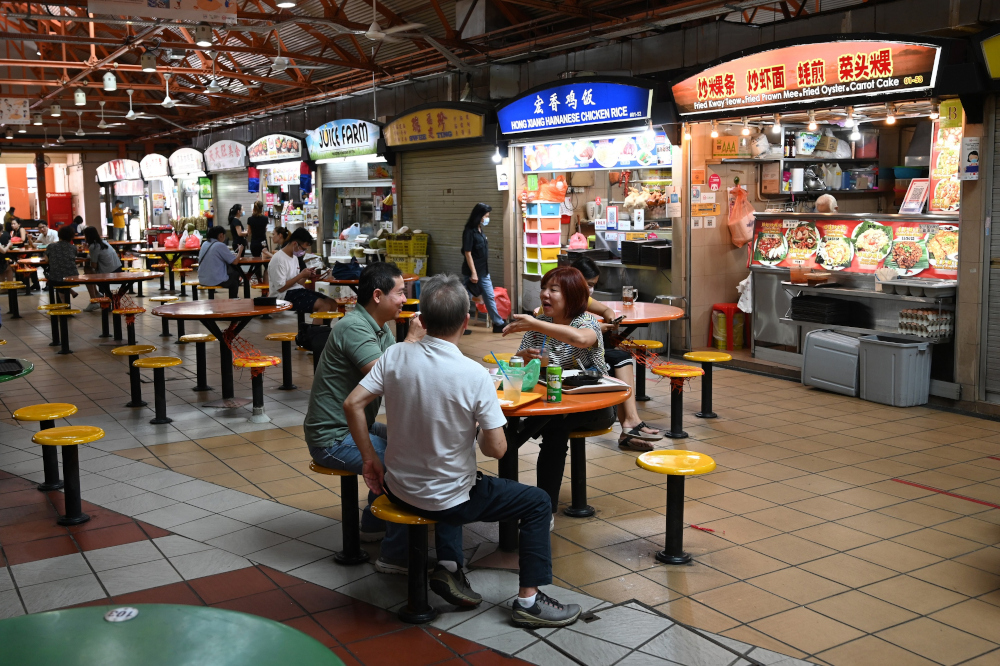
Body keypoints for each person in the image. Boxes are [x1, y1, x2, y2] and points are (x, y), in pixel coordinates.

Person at [344, 274, 582, 628]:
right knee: (535, 502)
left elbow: (353, 404)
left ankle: (451, 567)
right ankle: (529, 601)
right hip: (447, 496)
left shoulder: (395, 355)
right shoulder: (474, 375)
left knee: (455, 477)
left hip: (398, 488)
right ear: (466, 321)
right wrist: (477, 428)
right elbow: (497, 451)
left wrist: (370, 459)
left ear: (421, 319)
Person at [305, 262, 426, 573]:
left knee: (409, 443)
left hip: (355, 425)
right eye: (399, 293)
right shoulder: (353, 327)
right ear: (377, 295)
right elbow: (384, 377)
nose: (404, 300)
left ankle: (373, 526)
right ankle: (395, 555)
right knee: (401, 461)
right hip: (332, 436)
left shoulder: (379, 327)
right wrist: (411, 341)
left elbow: (401, 369)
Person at [503, 267, 616, 514]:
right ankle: (536, 506)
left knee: (554, 428)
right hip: (552, 405)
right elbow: (520, 371)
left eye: (553, 290)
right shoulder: (538, 324)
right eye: (544, 288)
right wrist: (522, 357)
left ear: (573, 296)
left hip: (595, 407)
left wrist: (537, 324)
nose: (545, 294)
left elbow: (580, 340)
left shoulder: (587, 322)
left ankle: (545, 510)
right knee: (546, 424)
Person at [571, 258, 663, 450]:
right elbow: (569, 332)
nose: (590, 289)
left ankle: (630, 425)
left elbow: (604, 309)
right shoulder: (562, 297)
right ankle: (630, 424)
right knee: (620, 358)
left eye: (593, 285)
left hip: (585, 350)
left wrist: (610, 318)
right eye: (588, 284)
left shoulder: (580, 297)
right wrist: (597, 327)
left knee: (620, 358)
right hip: (569, 354)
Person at [266, 227, 337, 314]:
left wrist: (307, 276)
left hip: (297, 290)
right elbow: (280, 288)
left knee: (332, 303)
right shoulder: (278, 259)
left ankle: (321, 327)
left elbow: (298, 283)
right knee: (323, 305)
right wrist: (301, 275)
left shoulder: (294, 257)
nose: (303, 252)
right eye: (303, 249)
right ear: (295, 244)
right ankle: (316, 327)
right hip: (283, 295)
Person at [461, 203, 505, 333]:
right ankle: (459, 326)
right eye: (486, 216)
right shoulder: (469, 231)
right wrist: (473, 273)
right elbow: (467, 253)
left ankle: (498, 323)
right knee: (465, 300)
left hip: (483, 271)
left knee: (489, 296)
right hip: (472, 273)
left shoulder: (480, 230)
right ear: (479, 216)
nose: (487, 218)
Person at [81, 226, 122, 311]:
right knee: (87, 271)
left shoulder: (94, 246)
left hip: (108, 272)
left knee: (87, 274)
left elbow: (94, 266)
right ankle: (97, 294)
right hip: (118, 269)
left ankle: (94, 300)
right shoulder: (104, 242)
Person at [197, 226, 243, 297]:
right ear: (221, 235)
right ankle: (233, 300)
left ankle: (211, 299)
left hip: (202, 279)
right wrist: (240, 251)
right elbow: (235, 262)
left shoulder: (204, 244)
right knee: (234, 279)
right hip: (215, 280)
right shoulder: (220, 245)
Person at [45, 224, 80, 300]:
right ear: (71, 237)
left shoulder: (51, 246)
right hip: (73, 277)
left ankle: (64, 306)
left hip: (55, 278)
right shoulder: (73, 247)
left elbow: (47, 260)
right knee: (62, 278)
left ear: (59, 235)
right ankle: (70, 294)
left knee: (56, 277)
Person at [246, 201, 269, 280]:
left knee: (256, 263)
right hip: (263, 242)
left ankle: (259, 280)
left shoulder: (250, 219)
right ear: (262, 208)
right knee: (266, 263)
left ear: (254, 208)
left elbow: (249, 232)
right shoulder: (265, 219)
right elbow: (265, 229)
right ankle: (266, 282)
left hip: (254, 242)